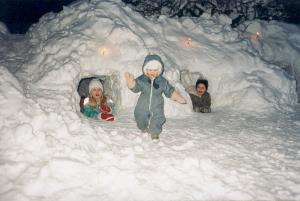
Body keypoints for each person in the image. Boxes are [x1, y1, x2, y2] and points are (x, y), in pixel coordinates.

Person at [125, 54, 186, 140]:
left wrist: (177, 97)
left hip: (157, 104)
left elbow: (169, 90)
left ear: (159, 70)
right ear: (145, 69)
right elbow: (136, 88)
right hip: (143, 104)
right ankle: (143, 127)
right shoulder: (142, 79)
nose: (152, 72)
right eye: (150, 70)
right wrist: (131, 84)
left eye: (155, 70)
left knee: (157, 118)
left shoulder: (162, 81)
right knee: (139, 116)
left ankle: (155, 132)